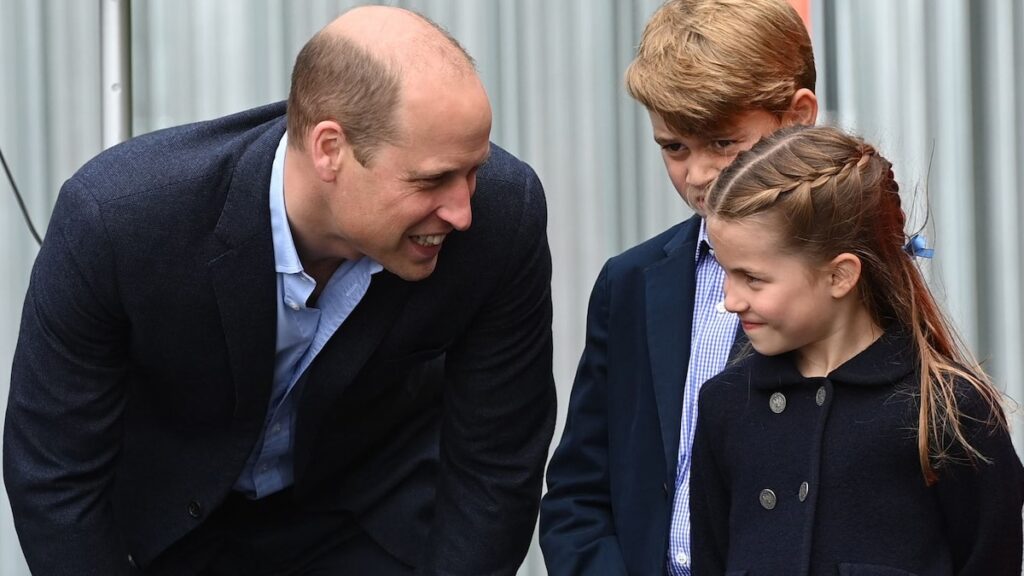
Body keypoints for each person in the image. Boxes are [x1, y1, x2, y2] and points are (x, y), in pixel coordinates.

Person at [3, 6, 556, 576]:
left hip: (373, 530)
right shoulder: (120, 221)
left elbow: (496, 466)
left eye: (473, 171)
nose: (462, 211)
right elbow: (52, 474)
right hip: (169, 535)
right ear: (329, 149)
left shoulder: (502, 218)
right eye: (431, 179)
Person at [540, 0, 818, 574]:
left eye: (723, 142)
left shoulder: (851, 277)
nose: (697, 175)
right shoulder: (632, 282)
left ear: (797, 117)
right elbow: (577, 490)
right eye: (674, 147)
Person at [691, 124, 1024, 574]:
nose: (730, 300)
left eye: (753, 278)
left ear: (840, 276)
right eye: (725, 272)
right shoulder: (725, 404)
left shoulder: (949, 410)